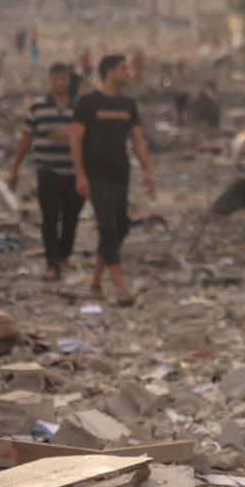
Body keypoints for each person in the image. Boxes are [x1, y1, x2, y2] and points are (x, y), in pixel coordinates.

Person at [70, 54, 156, 306]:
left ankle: (96, 279)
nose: (128, 73)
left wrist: (148, 172)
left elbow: (138, 141)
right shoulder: (87, 103)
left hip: (120, 174)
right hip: (95, 175)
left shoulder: (127, 105)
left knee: (120, 227)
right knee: (107, 225)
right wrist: (79, 175)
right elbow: (75, 140)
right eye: (123, 69)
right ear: (109, 72)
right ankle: (120, 287)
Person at [7, 63, 83, 280]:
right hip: (47, 170)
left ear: (69, 80)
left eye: (64, 79)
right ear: (50, 80)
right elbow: (25, 140)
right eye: (56, 79)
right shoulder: (38, 107)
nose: (60, 83)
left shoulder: (80, 107)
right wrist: (15, 169)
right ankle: (52, 264)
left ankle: (64, 254)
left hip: (73, 172)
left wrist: (70, 136)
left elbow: (88, 137)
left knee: (71, 217)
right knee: (49, 218)